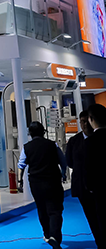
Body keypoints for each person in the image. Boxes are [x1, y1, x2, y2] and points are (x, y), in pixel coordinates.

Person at [18, 121, 67, 249]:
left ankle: (47, 234)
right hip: (52, 181)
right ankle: (55, 237)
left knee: (41, 208)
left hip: (36, 183)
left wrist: (19, 181)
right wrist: (63, 174)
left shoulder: (26, 147)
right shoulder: (52, 145)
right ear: (43, 132)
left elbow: (21, 165)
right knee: (55, 210)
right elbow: (63, 161)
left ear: (30, 133)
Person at [66, 111, 99, 245]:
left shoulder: (98, 139)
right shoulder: (74, 141)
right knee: (91, 216)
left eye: (87, 121)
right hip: (81, 185)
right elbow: (69, 162)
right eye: (82, 122)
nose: (85, 125)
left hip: (98, 184)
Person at [85, 103, 106, 248]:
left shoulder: (90, 142)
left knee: (102, 222)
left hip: (100, 190)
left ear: (91, 119)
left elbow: (88, 168)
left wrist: (90, 187)